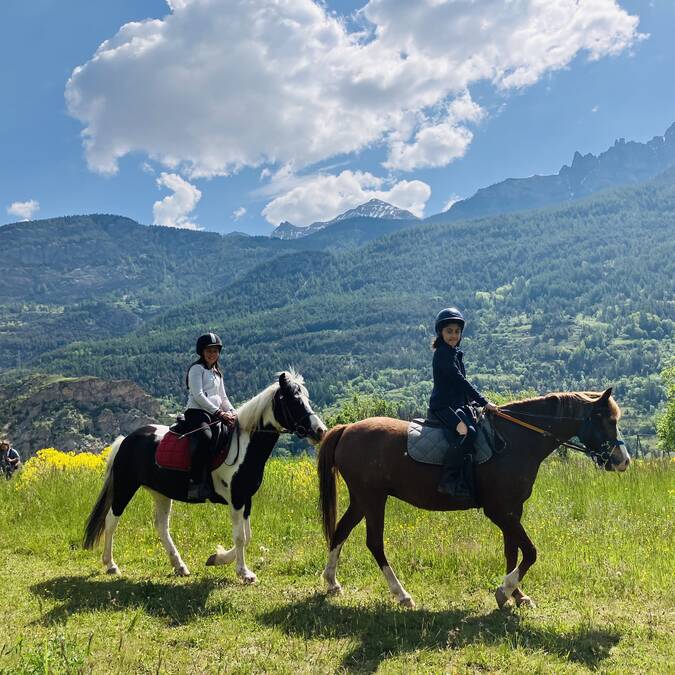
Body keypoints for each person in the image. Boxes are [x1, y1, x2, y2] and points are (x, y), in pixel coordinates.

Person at [427, 308, 498, 496]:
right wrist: (483, 402)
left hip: (456, 405)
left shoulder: (454, 353)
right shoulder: (443, 354)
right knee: (468, 433)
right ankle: (448, 480)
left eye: (457, 331)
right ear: (441, 332)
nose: (453, 335)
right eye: (449, 331)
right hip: (443, 407)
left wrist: (472, 404)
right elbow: (460, 381)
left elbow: (458, 387)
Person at [184, 333, 237, 499]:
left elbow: (223, 398)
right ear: (202, 351)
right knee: (206, 437)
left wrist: (234, 413)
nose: (212, 354)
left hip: (214, 414)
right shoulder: (196, 369)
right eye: (209, 350)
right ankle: (194, 482)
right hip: (197, 413)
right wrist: (219, 413)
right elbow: (198, 395)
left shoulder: (217, 374)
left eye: (215, 350)